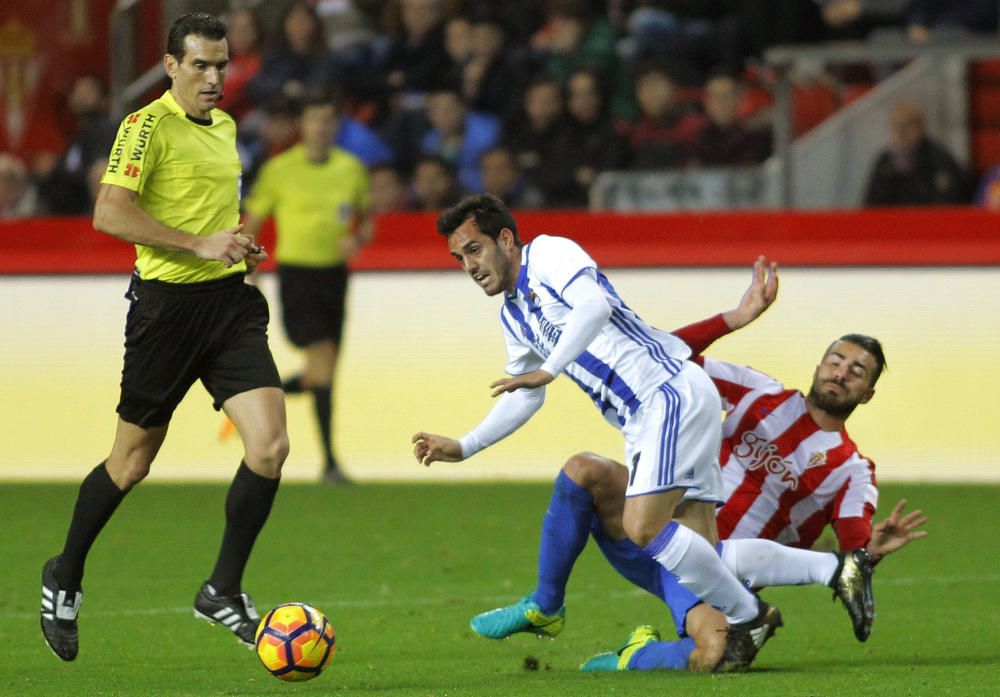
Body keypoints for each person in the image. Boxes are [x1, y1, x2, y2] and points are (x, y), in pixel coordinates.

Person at [469, 259, 926, 672]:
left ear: (866, 394)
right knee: (584, 470)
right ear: (819, 365)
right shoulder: (759, 392)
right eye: (836, 360)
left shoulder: (853, 470)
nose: (841, 372)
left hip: (714, 579)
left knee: (716, 656)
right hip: (658, 524)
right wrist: (736, 318)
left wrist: (873, 551)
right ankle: (545, 606)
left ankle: (634, 655)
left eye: (857, 371)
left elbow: (854, 550)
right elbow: (666, 355)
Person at [412, 194, 785, 673]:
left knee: (659, 555)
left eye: (474, 249)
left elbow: (592, 307)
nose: (468, 265)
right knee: (602, 486)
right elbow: (525, 393)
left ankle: (718, 623)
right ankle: (564, 614)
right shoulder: (512, 315)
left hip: (666, 403)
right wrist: (465, 446)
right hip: (647, 423)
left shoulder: (548, 254)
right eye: (459, 257)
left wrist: (548, 369)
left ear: (505, 238)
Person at [39, 13, 288, 662]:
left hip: (230, 303)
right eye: (200, 65)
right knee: (131, 462)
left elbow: (206, 213)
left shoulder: (228, 126)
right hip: (166, 311)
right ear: (171, 66)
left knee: (269, 446)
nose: (213, 78)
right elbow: (107, 211)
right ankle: (64, 572)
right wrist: (197, 243)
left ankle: (222, 588)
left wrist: (234, 242)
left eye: (221, 65)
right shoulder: (144, 125)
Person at [242, 89, 373, 485]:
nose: (321, 128)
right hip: (297, 275)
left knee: (324, 373)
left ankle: (258, 396)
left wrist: (357, 240)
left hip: (335, 276)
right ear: (302, 126)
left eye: (328, 121)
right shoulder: (280, 169)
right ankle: (329, 460)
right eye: (315, 120)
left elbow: (366, 220)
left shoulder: (350, 168)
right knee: (324, 360)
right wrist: (250, 269)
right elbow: (254, 221)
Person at [863, 101, 971, 206]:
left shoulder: (940, 160)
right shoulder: (884, 163)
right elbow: (870, 205)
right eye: (896, 126)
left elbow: (952, 203)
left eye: (907, 126)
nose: (901, 133)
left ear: (920, 127)